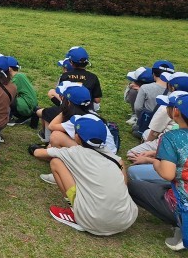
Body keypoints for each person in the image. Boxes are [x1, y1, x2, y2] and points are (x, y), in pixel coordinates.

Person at [31, 114, 137, 236]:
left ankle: (74, 212)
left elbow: (38, 153)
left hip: (92, 220)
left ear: (77, 137)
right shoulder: (116, 159)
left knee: (56, 162)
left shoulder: (73, 152)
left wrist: (37, 148)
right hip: (126, 220)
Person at [128, 91, 188, 251]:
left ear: (176, 112)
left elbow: (167, 174)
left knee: (134, 186)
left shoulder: (172, 137)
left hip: (183, 200)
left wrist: (154, 161)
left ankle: (181, 223)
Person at [6, 56, 38, 126]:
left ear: (9, 68)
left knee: (7, 97)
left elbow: (7, 92)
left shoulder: (16, 78)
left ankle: (10, 118)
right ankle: (25, 116)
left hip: (27, 106)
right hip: (31, 105)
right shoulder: (20, 75)